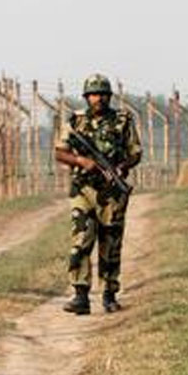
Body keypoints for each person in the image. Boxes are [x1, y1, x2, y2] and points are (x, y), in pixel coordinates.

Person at [53, 73, 142, 315]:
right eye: (94, 94)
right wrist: (82, 161)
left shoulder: (123, 120)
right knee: (81, 240)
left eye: (103, 94)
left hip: (112, 192)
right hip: (83, 189)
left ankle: (109, 294)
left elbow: (135, 151)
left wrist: (122, 167)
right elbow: (60, 153)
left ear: (109, 96)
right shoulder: (75, 121)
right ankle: (80, 295)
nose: (98, 98)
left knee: (110, 243)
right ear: (86, 97)